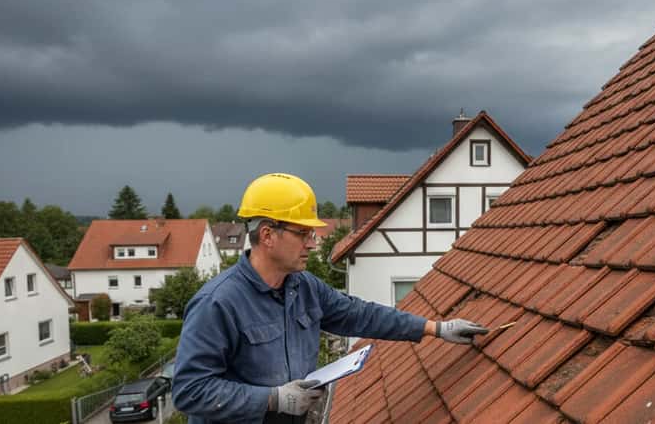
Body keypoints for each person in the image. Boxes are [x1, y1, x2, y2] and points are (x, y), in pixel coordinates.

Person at [173, 173, 489, 423]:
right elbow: (189, 390)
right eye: (303, 233)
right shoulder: (217, 303)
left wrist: (435, 328)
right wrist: (272, 399)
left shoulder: (303, 287)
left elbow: (362, 315)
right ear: (267, 235)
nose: (312, 243)